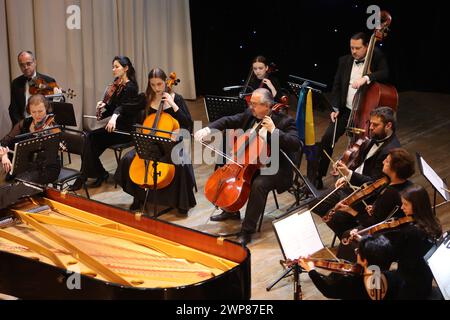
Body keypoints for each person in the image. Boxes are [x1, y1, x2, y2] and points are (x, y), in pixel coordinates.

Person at [194, 88, 302, 245]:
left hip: (276, 168)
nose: (251, 107)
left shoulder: (285, 122)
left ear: (267, 106)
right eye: (251, 104)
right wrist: (209, 129)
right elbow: (229, 120)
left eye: (255, 104)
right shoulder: (251, 114)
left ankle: (247, 230)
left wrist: (274, 130)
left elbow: (295, 145)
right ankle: (230, 209)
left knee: (258, 184)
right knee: (225, 165)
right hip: (250, 163)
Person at [114, 68, 196, 214]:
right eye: (152, 85)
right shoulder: (146, 98)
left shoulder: (176, 99)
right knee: (128, 159)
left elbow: (188, 123)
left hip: (172, 144)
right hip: (150, 143)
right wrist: (115, 115)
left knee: (179, 164)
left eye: (159, 84)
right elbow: (125, 108)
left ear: (166, 82)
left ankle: (182, 202)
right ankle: (138, 196)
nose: (156, 88)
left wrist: (173, 105)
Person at [315, 32, 390, 189]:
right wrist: (335, 107)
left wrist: (367, 78)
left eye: (357, 48)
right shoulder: (344, 61)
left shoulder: (376, 56)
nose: (354, 51)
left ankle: (357, 179)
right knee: (327, 138)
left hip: (366, 114)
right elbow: (336, 86)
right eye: (351, 47)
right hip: (346, 111)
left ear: (367, 47)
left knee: (363, 146)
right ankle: (318, 175)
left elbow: (385, 73)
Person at [312, 106, 401, 237]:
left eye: (375, 125)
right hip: (350, 186)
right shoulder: (373, 137)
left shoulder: (392, 151)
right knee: (316, 205)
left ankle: (351, 240)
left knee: (335, 219)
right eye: (370, 123)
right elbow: (359, 162)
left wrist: (349, 174)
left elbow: (375, 183)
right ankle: (347, 233)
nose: (370, 127)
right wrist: (347, 175)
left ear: (388, 125)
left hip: (365, 195)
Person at [69, 56, 144, 190]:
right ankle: (95, 174)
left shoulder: (131, 87)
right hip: (113, 128)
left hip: (124, 130)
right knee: (89, 144)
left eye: (116, 66)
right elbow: (112, 108)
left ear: (126, 68)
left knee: (89, 140)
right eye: (113, 66)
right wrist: (102, 108)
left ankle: (90, 175)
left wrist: (113, 115)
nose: (113, 69)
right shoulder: (117, 84)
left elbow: (124, 108)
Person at [336, 148, 416, 261]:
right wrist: (375, 207)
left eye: (387, 161)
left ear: (394, 169)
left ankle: (352, 270)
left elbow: (372, 223)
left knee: (348, 235)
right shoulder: (401, 183)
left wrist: (350, 210)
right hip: (391, 224)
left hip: (389, 234)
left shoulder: (391, 192)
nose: (383, 162)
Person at [381, 184, 442, 299]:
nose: (402, 208)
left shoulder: (411, 232)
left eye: (405, 204)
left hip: (409, 284)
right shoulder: (433, 222)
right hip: (425, 278)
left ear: (417, 206)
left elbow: (392, 255)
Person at [299, 234, 399, 300]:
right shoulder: (395, 276)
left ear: (365, 261)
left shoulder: (352, 284)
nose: (356, 252)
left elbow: (328, 291)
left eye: (358, 252)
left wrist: (311, 270)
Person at [1, 94, 60, 183]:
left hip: (46, 167)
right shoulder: (25, 123)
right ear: (29, 111)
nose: (37, 115)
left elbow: (50, 154)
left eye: (40, 111)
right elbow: (4, 141)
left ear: (46, 108)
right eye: (33, 112)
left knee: (22, 181)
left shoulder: (52, 126)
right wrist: (4, 155)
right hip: (25, 164)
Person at [9, 51, 61, 127]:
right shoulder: (16, 83)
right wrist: (21, 126)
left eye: (28, 63)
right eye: (22, 65)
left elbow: (53, 108)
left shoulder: (48, 81)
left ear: (35, 62)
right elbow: (13, 109)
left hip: (44, 126)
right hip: (23, 126)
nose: (26, 67)